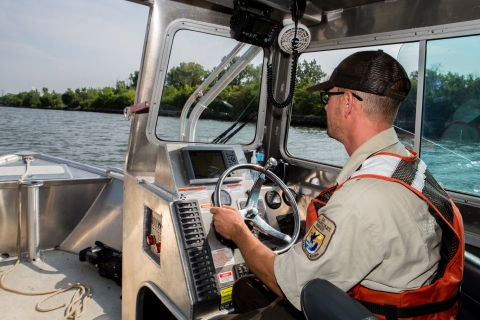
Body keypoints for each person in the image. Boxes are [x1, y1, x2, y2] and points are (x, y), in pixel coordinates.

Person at [211, 50, 464, 319]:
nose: (324, 106)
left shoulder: (361, 199)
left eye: (327, 97)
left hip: (359, 312)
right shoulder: (407, 165)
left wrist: (238, 230)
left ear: (346, 103)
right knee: (244, 288)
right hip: (383, 304)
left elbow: (283, 282)